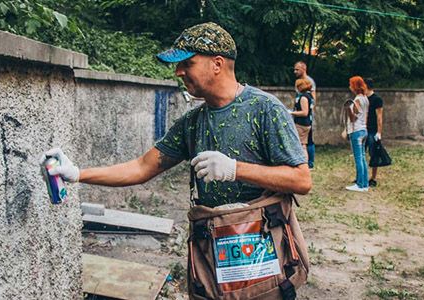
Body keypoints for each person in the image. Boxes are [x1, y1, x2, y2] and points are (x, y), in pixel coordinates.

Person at [43, 23, 312, 296]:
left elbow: (301, 180)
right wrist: (78, 173)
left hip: (264, 256)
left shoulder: (264, 109)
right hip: (215, 257)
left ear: (217, 64)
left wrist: (235, 169)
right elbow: (142, 167)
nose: (178, 71)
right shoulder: (191, 123)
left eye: (187, 63)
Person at [345, 76, 370, 192]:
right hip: (364, 129)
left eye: (351, 84)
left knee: (358, 158)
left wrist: (348, 109)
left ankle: (360, 184)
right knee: (363, 157)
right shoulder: (365, 98)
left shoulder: (357, 100)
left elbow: (354, 117)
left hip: (356, 130)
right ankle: (365, 184)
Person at [293, 61, 316, 169]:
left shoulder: (308, 82)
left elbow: (313, 100)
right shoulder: (299, 83)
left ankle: (309, 163)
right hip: (301, 116)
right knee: (304, 142)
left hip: (305, 119)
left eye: (297, 69)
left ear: (304, 69)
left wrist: (307, 112)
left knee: (306, 142)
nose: (295, 71)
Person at [365, 78, 384, 187]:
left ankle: (373, 177)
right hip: (363, 129)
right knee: (361, 153)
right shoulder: (363, 99)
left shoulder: (377, 99)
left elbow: (379, 117)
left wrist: (379, 132)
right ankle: (362, 176)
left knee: (374, 154)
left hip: (372, 130)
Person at [290, 78, 313, 161]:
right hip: (306, 123)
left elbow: (304, 112)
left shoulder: (303, 98)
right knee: (303, 145)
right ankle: (305, 162)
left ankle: (302, 162)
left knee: (301, 145)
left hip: (301, 124)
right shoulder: (309, 96)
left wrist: (292, 113)